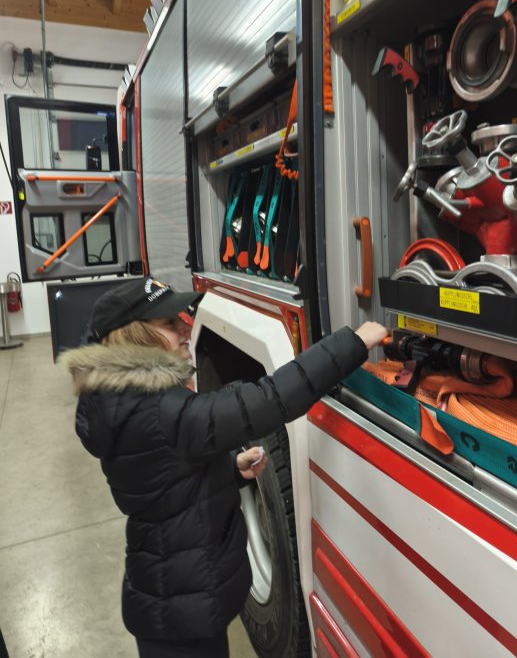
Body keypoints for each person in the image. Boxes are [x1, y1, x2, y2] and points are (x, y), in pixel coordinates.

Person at [62, 276, 388, 658]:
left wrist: (231, 470)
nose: (186, 328)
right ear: (135, 337)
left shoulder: (122, 402)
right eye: (169, 323)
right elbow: (270, 399)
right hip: (181, 619)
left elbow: (165, 483)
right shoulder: (161, 411)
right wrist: (354, 342)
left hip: (170, 601)